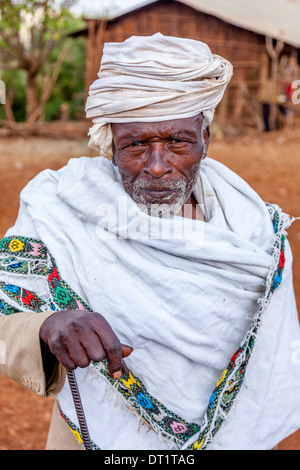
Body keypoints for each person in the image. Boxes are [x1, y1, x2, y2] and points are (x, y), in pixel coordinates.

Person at [0, 33, 299, 451]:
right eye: (136, 144)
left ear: (205, 139)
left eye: (178, 141)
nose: (158, 167)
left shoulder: (258, 231)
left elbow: (275, 371)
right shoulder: (61, 206)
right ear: (111, 146)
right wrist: (46, 326)